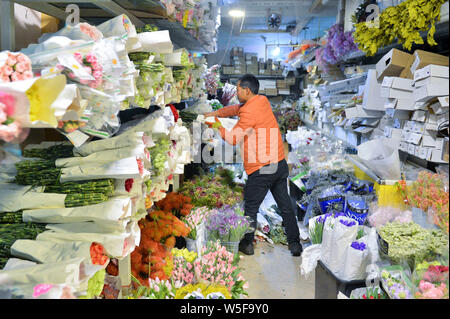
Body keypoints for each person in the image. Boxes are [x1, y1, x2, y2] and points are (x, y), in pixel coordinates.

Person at [204, 74, 302, 256]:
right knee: (286, 207)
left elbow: (233, 139)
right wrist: (216, 113)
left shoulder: (248, 112)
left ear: (247, 90)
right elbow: (236, 109)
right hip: (279, 164)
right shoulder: (262, 101)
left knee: (250, 207)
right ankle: (295, 244)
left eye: (238, 89)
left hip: (262, 168)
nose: (236, 91)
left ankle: (247, 244)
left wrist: (215, 124)